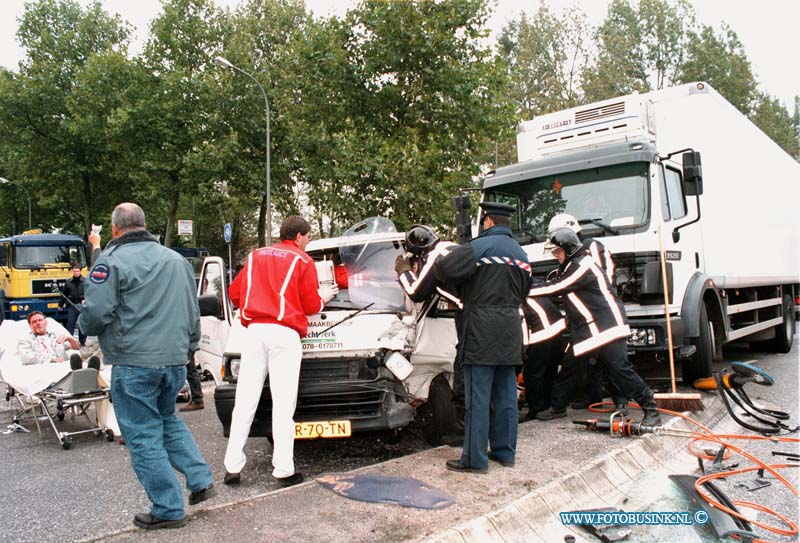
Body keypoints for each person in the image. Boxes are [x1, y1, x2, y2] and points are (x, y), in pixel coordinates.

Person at [79, 203, 215, 531]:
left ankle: (168, 508)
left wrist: (83, 322)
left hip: (134, 362)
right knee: (167, 420)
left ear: (114, 230)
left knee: (142, 435)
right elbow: (191, 311)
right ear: (144, 224)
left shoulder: (109, 262)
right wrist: (189, 348)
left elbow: (96, 315)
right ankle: (200, 480)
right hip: (174, 360)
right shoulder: (176, 261)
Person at [223, 215, 338, 487]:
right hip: (284, 334)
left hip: (253, 333)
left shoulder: (255, 255)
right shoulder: (302, 260)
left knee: (245, 401)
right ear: (299, 236)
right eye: (308, 238)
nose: (308, 243)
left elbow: (235, 292)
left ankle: (232, 467)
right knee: (283, 403)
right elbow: (310, 305)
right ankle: (283, 469)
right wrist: (325, 297)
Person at [529, 228, 661, 426]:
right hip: (589, 331)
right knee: (570, 367)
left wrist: (524, 289)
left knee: (619, 369)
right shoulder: (572, 265)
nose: (556, 256)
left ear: (569, 248)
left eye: (558, 252)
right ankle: (557, 406)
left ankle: (651, 409)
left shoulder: (583, 264)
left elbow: (557, 287)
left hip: (607, 327)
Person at [434, 201, 530, 473]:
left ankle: (474, 460)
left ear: (487, 221)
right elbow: (525, 292)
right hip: (511, 329)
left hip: (481, 331)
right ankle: (505, 453)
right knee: (506, 396)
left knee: (478, 397)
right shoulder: (522, 254)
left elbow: (444, 270)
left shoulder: (479, 248)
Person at [394, 225, 464, 442]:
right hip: (484, 317)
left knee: (462, 381)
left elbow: (416, 293)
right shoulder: (454, 250)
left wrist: (403, 271)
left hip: (469, 320)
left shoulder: (437, 255)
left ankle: (459, 433)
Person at [18, 311, 98, 369]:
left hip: (63, 364)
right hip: (44, 367)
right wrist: (53, 359)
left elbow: (77, 347)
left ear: (46, 322)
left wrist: (69, 339)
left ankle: (89, 371)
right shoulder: (25, 339)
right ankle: (85, 372)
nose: (38, 323)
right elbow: (27, 357)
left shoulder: (54, 337)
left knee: (78, 361)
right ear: (30, 325)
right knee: (71, 370)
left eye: (40, 320)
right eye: (34, 322)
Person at [60, 263, 87, 346]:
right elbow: (64, 294)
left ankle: (82, 342)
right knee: (70, 323)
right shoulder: (69, 282)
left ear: (80, 271)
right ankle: (69, 340)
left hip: (82, 305)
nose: (76, 273)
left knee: (82, 324)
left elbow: (90, 293)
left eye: (77, 271)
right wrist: (60, 304)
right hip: (72, 305)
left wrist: (87, 302)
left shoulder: (85, 281)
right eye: (74, 271)